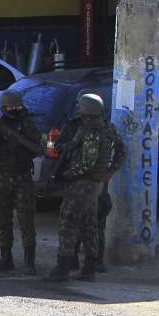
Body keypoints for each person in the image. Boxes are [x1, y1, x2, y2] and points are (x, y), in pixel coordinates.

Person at [48, 93, 119, 282]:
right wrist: (109, 171)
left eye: (81, 106)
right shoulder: (106, 127)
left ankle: (62, 269)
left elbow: (87, 162)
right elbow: (121, 151)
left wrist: (68, 175)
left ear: (86, 109)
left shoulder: (90, 131)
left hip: (82, 183)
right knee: (90, 225)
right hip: (95, 184)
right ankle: (89, 269)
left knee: (68, 223)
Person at [0, 90, 43, 275]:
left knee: (26, 220)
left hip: (22, 177)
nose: (14, 110)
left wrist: (18, 141)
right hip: (1, 178)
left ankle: (29, 263)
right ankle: (6, 259)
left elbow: (37, 149)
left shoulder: (27, 125)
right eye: (10, 107)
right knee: (3, 219)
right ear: (3, 108)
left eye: (17, 106)